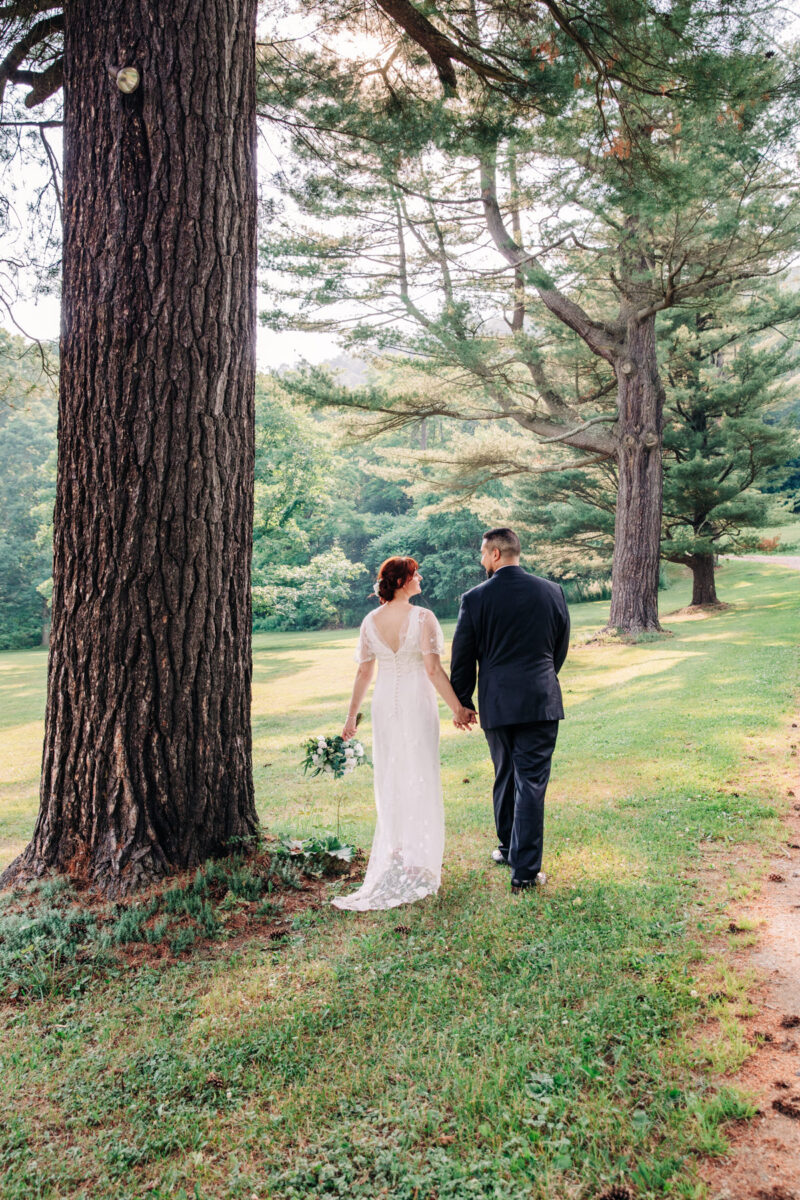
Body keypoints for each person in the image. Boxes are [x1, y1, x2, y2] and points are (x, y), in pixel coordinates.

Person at [333, 556, 475, 912]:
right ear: (400, 582)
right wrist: (458, 708)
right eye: (415, 574)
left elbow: (364, 674)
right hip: (415, 703)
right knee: (420, 774)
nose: (420, 577)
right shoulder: (422, 618)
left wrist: (351, 717)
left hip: (385, 705)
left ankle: (400, 851)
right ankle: (416, 858)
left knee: (392, 775)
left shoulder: (370, 621)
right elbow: (432, 669)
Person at [449, 528, 570, 894]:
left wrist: (464, 700)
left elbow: (462, 655)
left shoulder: (474, 598)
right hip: (540, 699)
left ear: (497, 554)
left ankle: (509, 852)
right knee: (530, 782)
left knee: (505, 775)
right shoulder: (552, 591)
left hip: (498, 703)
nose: (481, 560)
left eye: (483, 554)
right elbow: (560, 645)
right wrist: (544, 680)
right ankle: (524, 870)